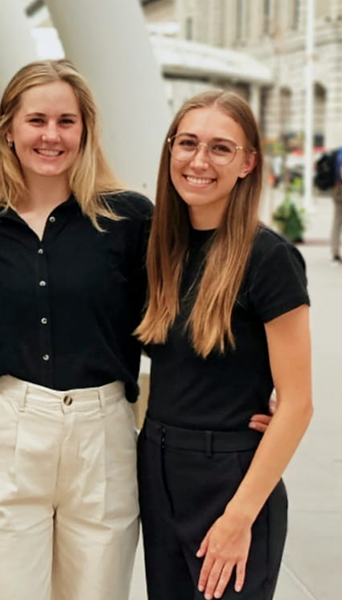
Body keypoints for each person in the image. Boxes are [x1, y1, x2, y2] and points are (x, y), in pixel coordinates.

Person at [0, 59, 153, 600]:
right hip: (6, 429)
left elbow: (174, 320)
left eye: (66, 121)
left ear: (85, 130)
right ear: (8, 129)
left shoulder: (130, 220)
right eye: (37, 120)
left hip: (103, 432)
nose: (51, 135)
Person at [136, 90, 312, 600]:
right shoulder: (158, 250)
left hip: (229, 478)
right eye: (187, 143)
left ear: (248, 163)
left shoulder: (269, 259)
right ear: (170, 149)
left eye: (220, 148)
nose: (198, 161)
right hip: (158, 467)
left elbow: (298, 403)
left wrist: (239, 517)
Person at [331, 145, 342, 263]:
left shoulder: (339, 151)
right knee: (338, 222)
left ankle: (335, 252)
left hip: (337, 189)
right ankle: (335, 253)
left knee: (337, 222)